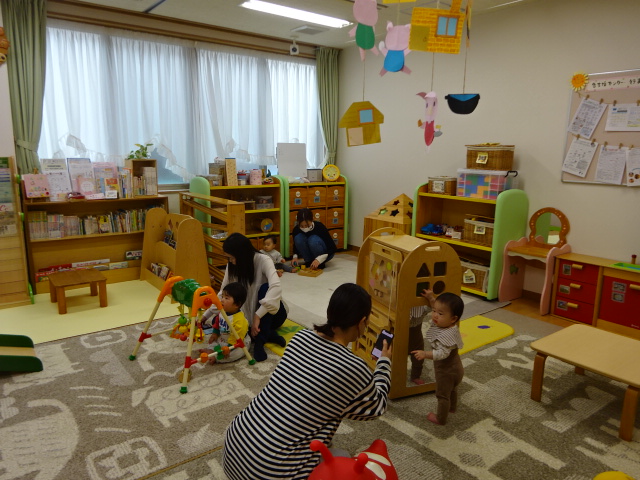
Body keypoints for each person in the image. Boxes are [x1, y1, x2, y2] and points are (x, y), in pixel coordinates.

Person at [223, 283, 392, 480]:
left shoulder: (300, 337)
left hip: (234, 447)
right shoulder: (353, 367)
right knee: (343, 461)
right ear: (362, 322)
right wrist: (384, 362)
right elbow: (377, 407)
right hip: (269, 472)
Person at [220, 232, 288, 362]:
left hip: (272, 315)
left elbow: (276, 288)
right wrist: (207, 314)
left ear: (241, 255)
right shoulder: (232, 265)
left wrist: (258, 315)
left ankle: (260, 342)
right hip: (249, 319)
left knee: (265, 288)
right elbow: (223, 291)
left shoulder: (263, 260)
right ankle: (270, 335)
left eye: (232, 257)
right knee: (221, 321)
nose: (231, 261)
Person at [410, 289, 464, 426]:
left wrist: (425, 354)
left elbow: (442, 354)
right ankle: (452, 408)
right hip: (457, 368)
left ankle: (440, 418)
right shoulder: (449, 325)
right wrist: (430, 298)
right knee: (452, 389)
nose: (434, 315)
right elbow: (438, 307)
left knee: (442, 395)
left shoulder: (446, 335)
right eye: (434, 311)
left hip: (446, 371)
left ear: (453, 319)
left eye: (440, 314)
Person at [198, 282, 250, 364]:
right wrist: (215, 333)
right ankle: (211, 350)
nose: (222, 300)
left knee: (236, 353)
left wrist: (228, 348)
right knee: (212, 341)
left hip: (237, 342)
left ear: (237, 304)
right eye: (222, 297)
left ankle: (215, 357)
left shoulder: (239, 320)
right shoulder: (223, 311)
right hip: (223, 338)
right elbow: (217, 322)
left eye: (226, 298)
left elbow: (236, 339)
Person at [408, 304, 430, 385]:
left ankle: (415, 376)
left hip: (416, 336)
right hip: (401, 335)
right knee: (397, 358)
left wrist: (430, 298)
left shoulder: (422, 309)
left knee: (418, 358)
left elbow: (432, 306)